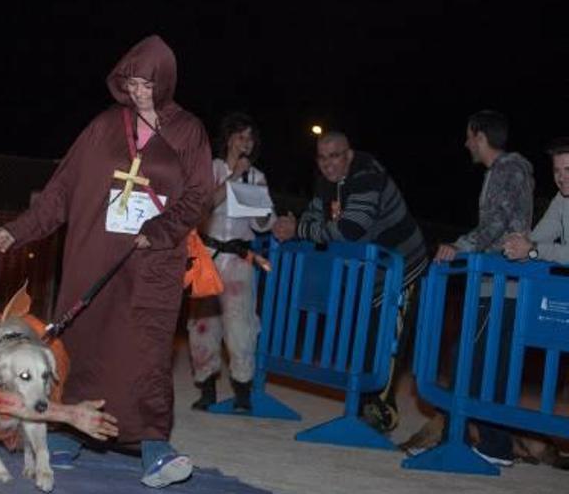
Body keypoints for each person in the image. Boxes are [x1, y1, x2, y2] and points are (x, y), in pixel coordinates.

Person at [0, 35, 213, 488]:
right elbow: (61, 191)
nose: (139, 91)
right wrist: (17, 230)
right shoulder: (104, 126)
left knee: (144, 354)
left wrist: (161, 230)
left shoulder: (189, 131)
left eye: (149, 82)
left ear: (166, 81)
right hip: (95, 253)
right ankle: (73, 431)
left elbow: (198, 195)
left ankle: (154, 448)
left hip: (152, 261)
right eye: (132, 81)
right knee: (85, 346)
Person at [273, 131, 429, 432]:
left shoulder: (367, 176)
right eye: (322, 157)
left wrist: (299, 229)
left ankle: (381, 413)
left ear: (349, 155)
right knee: (364, 338)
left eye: (335, 156)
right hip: (368, 274)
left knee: (387, 342)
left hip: (402, 269)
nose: (328, 164)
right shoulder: (326, 183)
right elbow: (313, 217)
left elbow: (349, 230)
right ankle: (361, 408)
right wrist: (292, 226)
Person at [431, 110, 534, 467]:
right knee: (491, 364)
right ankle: (493, 445)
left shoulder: (508, 169)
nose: (465, 143)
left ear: (479, 135)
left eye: (467, 135)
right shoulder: (505, 171)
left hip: (502, 286)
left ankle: (464, 441)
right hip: (501, 285)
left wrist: (459, 245)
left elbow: (496, 224)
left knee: (468, 357)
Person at [186, 112, 275, 412]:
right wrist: (234, 177)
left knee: (241, 325)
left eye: (250, 137)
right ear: (228, 139)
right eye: (240, 136)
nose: (246, 142)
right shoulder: (209, 169)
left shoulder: (257, 177)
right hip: (208, 257)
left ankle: (242, 391)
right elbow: (203, 205)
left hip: (239, 258)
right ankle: (207, 387)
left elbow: (263, 223)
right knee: (203, 325)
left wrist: (266, 214)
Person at [503, 136, 569, 264]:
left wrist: (532, 250)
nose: (561, 178)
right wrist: (518, 245)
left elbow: (536, 249)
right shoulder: (561, 198)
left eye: (568, 170)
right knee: (486, 284)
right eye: (557, 171)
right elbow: (537, 240)